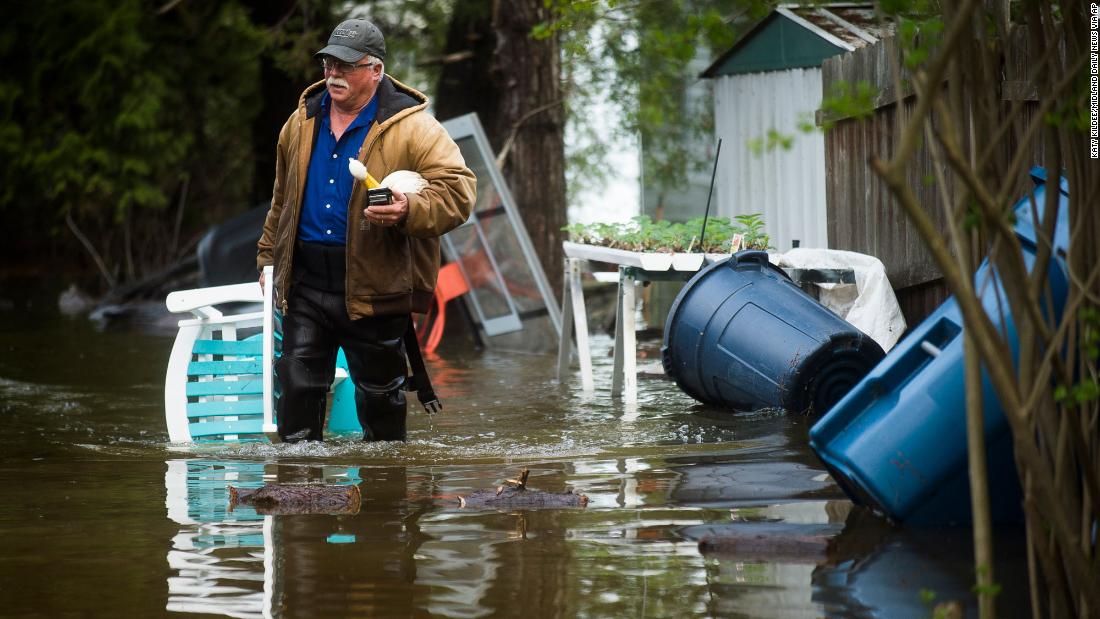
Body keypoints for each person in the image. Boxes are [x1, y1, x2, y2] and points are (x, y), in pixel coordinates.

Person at [257, 18, 476, 442]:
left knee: (380, 398)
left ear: (375, 70)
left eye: (344, 65)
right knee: (298, 388)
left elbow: (459, 191)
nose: (332, 74)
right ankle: (298, 497)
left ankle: (385, 498)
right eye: (327, 63)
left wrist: (408, 208)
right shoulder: (299, 123)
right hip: (306, 281)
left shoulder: (415, 127)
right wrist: (268, 259)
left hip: (376, 283)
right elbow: (281, 202)